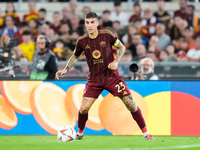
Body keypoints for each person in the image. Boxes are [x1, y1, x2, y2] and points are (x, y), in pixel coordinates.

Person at [55, 12, 154, 140]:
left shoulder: (107, 35)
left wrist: (116, 61)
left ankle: (146, 133)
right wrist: (66, 69)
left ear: (97, 23)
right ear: (85, 24)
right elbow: (75, 56)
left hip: (112, 77)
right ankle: (79, 133)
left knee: (130, 104)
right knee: (84, 108)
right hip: (94, 79)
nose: (90, 25)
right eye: (87, 23)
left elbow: (122, 47)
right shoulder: (82, 41)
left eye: (92, 22)